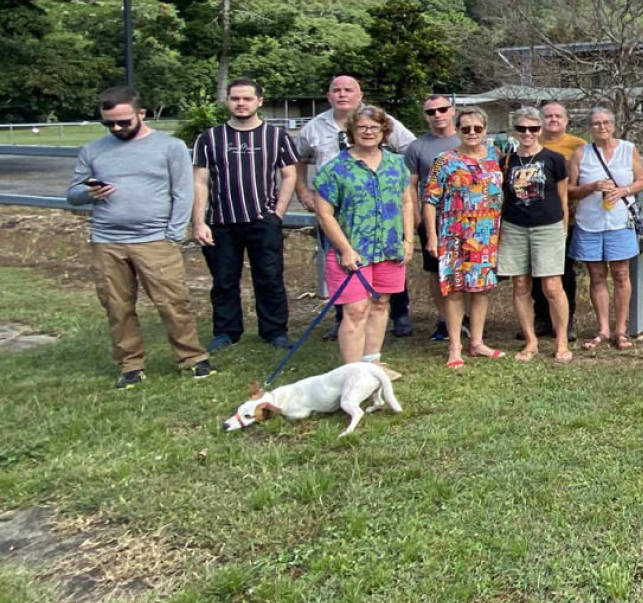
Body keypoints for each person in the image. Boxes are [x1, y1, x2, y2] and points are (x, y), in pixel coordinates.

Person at [66, 86, 214, 388]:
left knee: (173, 302)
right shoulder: (92, 150)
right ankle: (130, 365)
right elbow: (73, 194)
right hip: (107, 240)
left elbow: (182, 192)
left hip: (155, 240)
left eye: (124, 122)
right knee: (117, 306)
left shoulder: (169, 147)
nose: (117, 128)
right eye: (109, 124)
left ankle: (192, 358)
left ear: (141, 114)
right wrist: (88, 192)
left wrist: (173, 233)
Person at [295, 75, 415, 337]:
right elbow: (299, 160)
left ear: (359, 95)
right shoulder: (313, 129)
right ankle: (345, 321)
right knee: (349, 283)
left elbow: (411, 149)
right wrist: (303, 190)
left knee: (383, 287)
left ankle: (399, 316)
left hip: (385, 226)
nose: (342, 94)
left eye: (348, 90)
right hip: (342, 219)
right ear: (328, 95)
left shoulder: (386, 135)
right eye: (336, 90)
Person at [191, 78, 299, 352]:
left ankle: (274, 331)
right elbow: (200, 181)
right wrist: (199, 221)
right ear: (227, 101)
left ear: (259, 101)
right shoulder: (209, 138)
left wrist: (278, 213)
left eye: (247, 98)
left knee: (270, 277)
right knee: (224, 280)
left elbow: (289, 175)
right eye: (236, 98)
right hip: (222, 221)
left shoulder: (276, 136)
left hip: (263, 221)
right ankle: (226, 332)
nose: (241, 103)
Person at [311, 105, 416, 370]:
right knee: (356, 310)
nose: (368, 132)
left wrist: (408, 241)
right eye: (362, 128)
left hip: (389, 249)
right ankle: (352, 373)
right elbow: (324, 214)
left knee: (380, 304)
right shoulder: (336, 169)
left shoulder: (395, 164)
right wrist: (345, 249)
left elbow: (406, 201)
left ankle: (372, 363)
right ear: (352, 132)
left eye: (374, 127)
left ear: (384, 131)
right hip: (352, 252)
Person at [424, 107, 507, 368]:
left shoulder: (496, 156)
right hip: (453, 235)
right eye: (465, 128)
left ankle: (478, 342)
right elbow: (429, 200)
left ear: (485, 130)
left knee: (482, 289)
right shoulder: (445, 160)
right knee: (455, 290)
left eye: (478, 129)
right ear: (457, 130)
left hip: (487, 235)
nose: (472, 133)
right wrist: (431, 236)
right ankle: (455, 346)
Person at [568, 107, 643, 351]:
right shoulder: (581, 153)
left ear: (613, 125)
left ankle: (621, 330)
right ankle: (602, 329)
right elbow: (570, 190)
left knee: (621, 274)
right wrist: (591, 186)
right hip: (589, 222)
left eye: (605, 123)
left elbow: (642, 180)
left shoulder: (628, 149)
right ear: (589, 128)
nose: (601, 127)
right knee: (597, 276)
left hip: (619, 221)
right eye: (595, 124)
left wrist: (623, 190)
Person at [498, 106, 573, 363]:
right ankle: (530, 341)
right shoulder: (507, 160)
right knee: (520, 285)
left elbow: (563, 197)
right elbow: (503, 197)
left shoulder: (554, 160)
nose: (527, 133)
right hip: (515, 226)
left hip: (548, 226)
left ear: (540, 129)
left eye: (533, 128)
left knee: (552, 287)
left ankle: (561, 340)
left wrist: (563, 228)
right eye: (521, 128)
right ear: (515, 130)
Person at [405, 93, 460, 341]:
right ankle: (443, 319)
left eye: (442, 110)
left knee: (465, 268)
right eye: (431, 112)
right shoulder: (417, 147)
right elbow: (411, 186)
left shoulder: (467, 137)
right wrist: (416, 216)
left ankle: (463, 317)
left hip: (466, 216)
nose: (437, 115)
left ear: (452, 111)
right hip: (433, 217)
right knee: (436, 271)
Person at [537, 100, 587, 340]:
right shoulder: (532, 142)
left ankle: (567, 322)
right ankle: (542, 319)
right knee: (536, 273)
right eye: (548, 116)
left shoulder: (579, 146)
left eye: (558, 116)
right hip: (535, 219)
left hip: (568, 218)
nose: (553, 120)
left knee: (564, 271)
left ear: (566, 120)